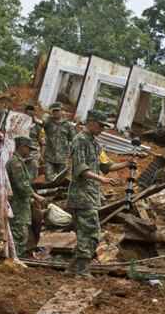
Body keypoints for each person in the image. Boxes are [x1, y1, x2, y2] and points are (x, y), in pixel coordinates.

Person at [66, 110, 133, 277]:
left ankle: (74, 268)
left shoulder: (95, 144)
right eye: (101, 125)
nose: (103, 129)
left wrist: (127, 163)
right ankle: (81, 269)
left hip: (91, 195)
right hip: (81, 195)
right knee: (89, 232)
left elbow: (106, 166)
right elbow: (80, 168)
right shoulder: (79, 141)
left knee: (87, 231)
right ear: (92, 122)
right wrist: (101, 180)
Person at [6, 136, 45, 257]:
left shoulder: (18, 162)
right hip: (18, 204)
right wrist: (36, 196)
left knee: (21, 232)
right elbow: (22, 184)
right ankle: (15, 258)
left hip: (21, 203)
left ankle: (16, 257)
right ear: (22, 147)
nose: (29, 152)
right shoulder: (15, 163)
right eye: (28, 149)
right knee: (19, 232)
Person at [43, 102, 76, 182]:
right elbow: (39, 131)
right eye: (54, 111)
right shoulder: (47, 123)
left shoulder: (68, 125)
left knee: (60, 180)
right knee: (49, 179)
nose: (56, 113)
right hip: (49, 156)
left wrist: (71, 154)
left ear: (62, 111)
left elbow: (73, 139)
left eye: (58, 110)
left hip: (63, 158)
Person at [25, 104, 45, 180]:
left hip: (33, 154)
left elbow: (43, 143)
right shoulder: (19, 124)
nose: (29, 116)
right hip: (19, 152)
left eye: (31, 114)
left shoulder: (38, 126)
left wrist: (41, 156)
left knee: (32, 172)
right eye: (28, 114)